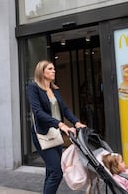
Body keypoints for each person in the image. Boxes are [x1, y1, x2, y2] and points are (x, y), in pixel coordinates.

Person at [27, 60, 86, 194]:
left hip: (55, 134)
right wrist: (61, 124)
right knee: (56, 172)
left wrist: (76, 122)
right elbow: (38, 112)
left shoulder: (54, 89)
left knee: (51, 170)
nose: (54, 71)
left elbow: (64, 109)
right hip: (42, 134)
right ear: (42, 72)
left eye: (54, 68)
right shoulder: (33, 88)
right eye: (50, 69)